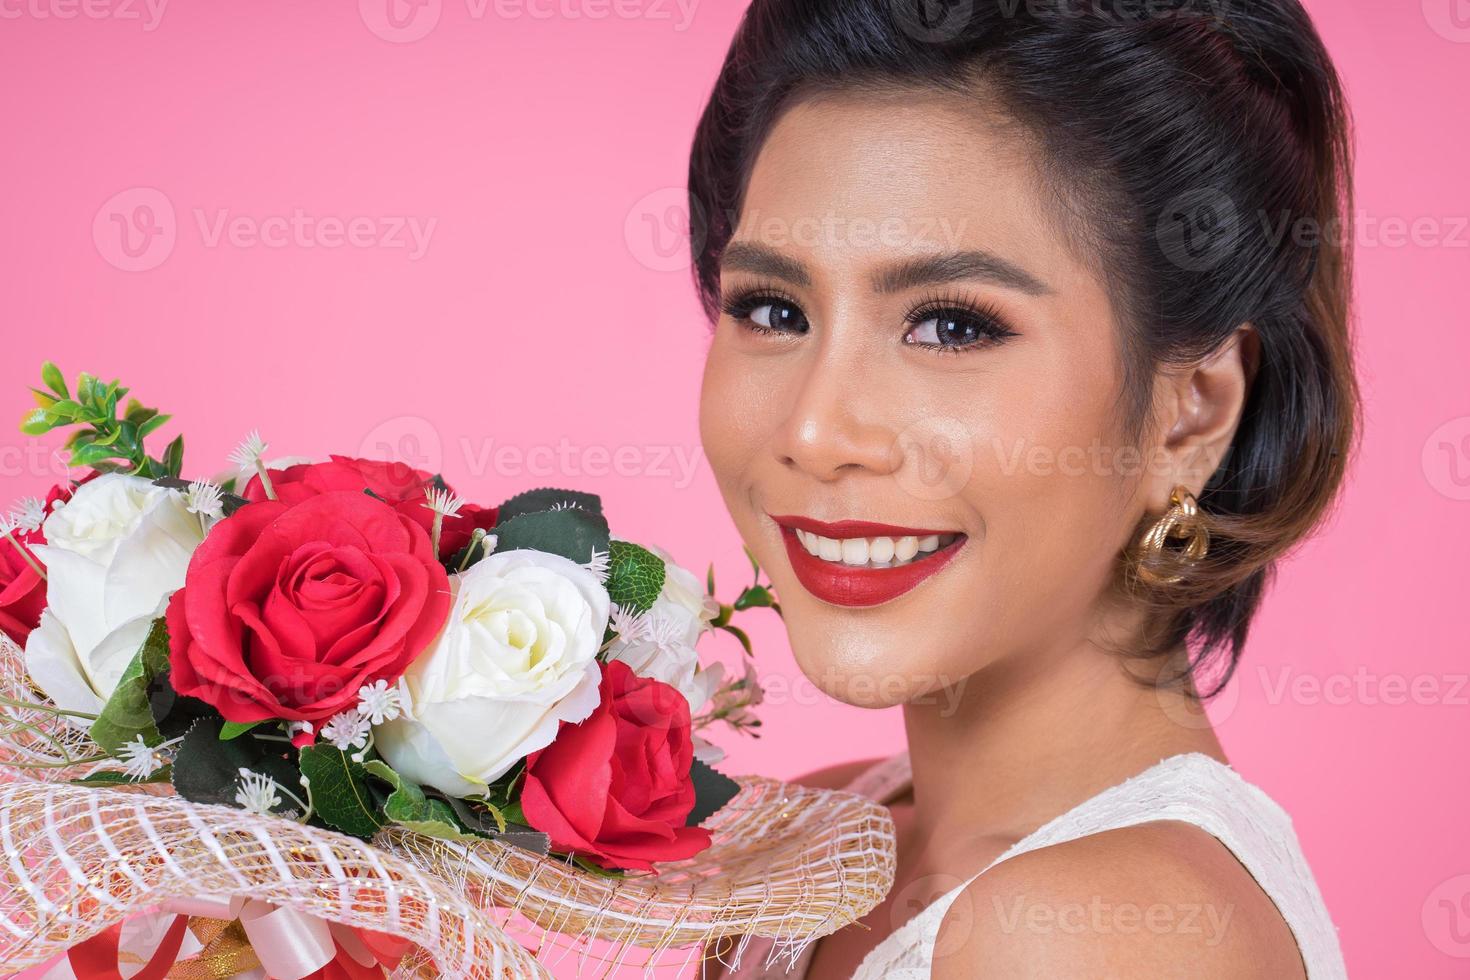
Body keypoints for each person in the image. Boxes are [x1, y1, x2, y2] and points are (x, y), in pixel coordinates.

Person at [691, 1, 1356, 976]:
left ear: (1192, 412)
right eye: (773, 307)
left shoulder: (1087, 934)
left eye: (953, 325)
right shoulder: (823, 845)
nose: (814, 430)